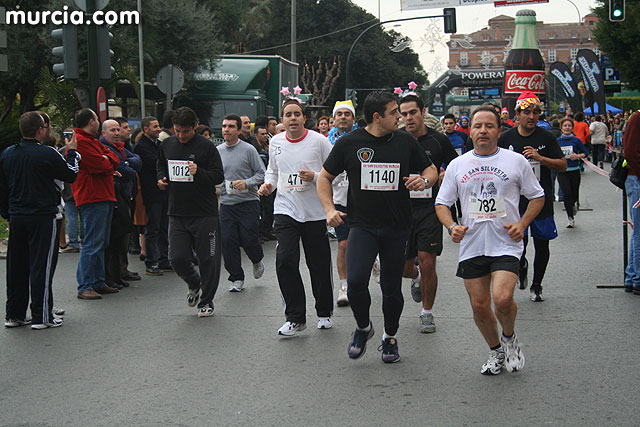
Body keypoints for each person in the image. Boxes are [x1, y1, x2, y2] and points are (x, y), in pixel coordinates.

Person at [317, 91, 437, 363]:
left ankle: (390, 337)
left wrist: (425, 181)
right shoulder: (350, 143)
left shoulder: (405, 141)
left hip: (397, 227)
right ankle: (363, 327)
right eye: (395, 112)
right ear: (376, 117)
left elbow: (430, 169)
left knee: (391, 287)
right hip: (362, 226)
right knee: (357, 281)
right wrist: (329, 209)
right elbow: (324, 177)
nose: (400, 117)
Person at [435, 105, 545, 375]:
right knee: (479, 305)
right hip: (472, 244)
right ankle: (496, 350)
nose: (483, 131)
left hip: (506, 241)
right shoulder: (458, 165)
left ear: (499, 130)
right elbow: (442, 203)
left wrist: (522, 223)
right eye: (477, 126)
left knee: (503, 298)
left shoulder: (515, 161)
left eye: (489, 126)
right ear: (469, 131)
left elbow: (537, 196)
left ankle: (509, 337)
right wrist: (451, 227)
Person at [258, 99, 334, 336]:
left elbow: (336, 172)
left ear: (304, 118)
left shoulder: (319, 141)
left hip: (314, 212)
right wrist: (268, 183)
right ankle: (295, 317)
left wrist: (315, 176)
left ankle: (324, 312)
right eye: (287, 115)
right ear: (282, 119)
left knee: (318, 264)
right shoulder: (276, 142)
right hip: (285, 209)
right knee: (285, 260)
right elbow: (273, 169)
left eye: (296, 114)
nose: (292, 118)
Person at [1, 111, 80, 329]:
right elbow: (70, 174)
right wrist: (73, 153)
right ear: (40, 130)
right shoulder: (47, 153)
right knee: (41, 266)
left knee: (16, 266)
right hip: (43, 215)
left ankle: (14, 313)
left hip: (17, 215)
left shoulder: (8, 154)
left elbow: (3, 188)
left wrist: (7, 214)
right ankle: (42, 315)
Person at [498, 92, 567, 302]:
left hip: (540, 200)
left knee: (542, 244)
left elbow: (563, 165)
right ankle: (521, 266)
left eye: (535, 112)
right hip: (515, 202)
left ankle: (537, 285)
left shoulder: (546, 137)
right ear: (517, 114)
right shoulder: (506, 138)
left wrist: (540, 158)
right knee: (520, 242)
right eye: (526, 112)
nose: (531, 116)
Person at [157, 107, 224, 317]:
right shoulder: (167, 144)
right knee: (176, 258)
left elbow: (218, 176)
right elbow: (160, 166)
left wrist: (199, 172)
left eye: (185, 131)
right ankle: (194, 282)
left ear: (195, 126)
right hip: (177, 212)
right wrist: (161, 180)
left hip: (204, 213)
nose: (181, 135)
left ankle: (206, 301)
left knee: (209, 260)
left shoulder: (207, 147)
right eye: (177, 131)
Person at [398, 94, 458, 333]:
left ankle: (427, 312)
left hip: (430, 209)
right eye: (404, 114)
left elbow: (456, 165)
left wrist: (444, 175)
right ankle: (415, 277)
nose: (409, 117)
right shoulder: (397, 140)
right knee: (403, 267)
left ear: (423, 113)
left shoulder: (438, 140)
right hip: (402, 211)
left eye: (413, 112)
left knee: (427, 260)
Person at [73, 108, 121, 299]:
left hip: (102, 195)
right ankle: (85, 285)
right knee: (92, 242)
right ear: (92, 122)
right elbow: (100, 165)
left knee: (100, 242)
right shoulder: (82, 142)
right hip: (93, 196)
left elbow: (113, 157)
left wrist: (107, 158)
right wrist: (107, 159)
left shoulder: (90, 141)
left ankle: (98, 281)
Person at [217, 114, 266, 292]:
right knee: (228, 241)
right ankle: (236, 277)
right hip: (227, 204)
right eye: (224, 126)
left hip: (248, 201)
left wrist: (246, 183)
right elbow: (216, 175)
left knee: (249, 239)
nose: (226, 130)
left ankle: (257, 258)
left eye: (230, 126)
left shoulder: (248, 150)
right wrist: (220, 186)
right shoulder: (218, 151)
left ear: (238, 130)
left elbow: (262, 174)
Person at [99, 120, 142, 289]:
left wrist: (127, 165)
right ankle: (110, 276)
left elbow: (136, 163)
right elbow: (126, 171)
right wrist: (126, 167)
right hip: (114, 197)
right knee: (114, 239)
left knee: (122, 238)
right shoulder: (105, 148)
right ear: (104, 133)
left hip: (125, 195)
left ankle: (119, 274)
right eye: (113, 130)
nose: (117, 133)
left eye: (118, 129)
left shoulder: (120, 148)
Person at [328, 100, 358, 306]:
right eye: (340, 114)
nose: (343, 117)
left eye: (347, 114)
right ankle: (344, 286)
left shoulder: (363, 140)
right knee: (343, 244)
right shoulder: (326, 143)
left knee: (365, 243)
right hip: (339, 201)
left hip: (363, 202)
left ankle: (372, 261)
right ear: (333, 119)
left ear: (353, 119)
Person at [134, 116, 170, 276]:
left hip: (164, 192)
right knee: (153, 228)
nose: (158, 129)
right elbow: (156, 163)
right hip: (151, 193)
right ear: (146, 129)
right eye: (155, 126)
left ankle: (164, 259)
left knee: (164, 227)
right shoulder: (141, 146)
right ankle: (151, 261)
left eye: (158, 126)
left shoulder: (160, 144)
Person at [556, 118, 588, 228]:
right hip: (562, 171)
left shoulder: (576, 140)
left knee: (574, 194)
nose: (567, 128)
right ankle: (570, 218)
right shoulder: (557, 141)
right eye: (565, 126)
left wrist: (577, 156)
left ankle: (574, 203)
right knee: (566, 193)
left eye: (569, 126)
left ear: (572, 128)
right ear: (561, 128)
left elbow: (585, 153)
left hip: (574, 170)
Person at [624, 112, 640, 294]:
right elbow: (631, 152)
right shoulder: (637, 118)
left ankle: (632, 275)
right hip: (636, 179)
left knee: (638, 229)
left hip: (635, 178)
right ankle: (637, 278)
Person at [255, 125, 276, 241]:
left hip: (269, 182)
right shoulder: (254, 148)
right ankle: (261, 231)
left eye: (265, 134)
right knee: (263, 208)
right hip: (261, 184)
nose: (264, 136)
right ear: (256, 135)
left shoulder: (268, 145)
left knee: (269, 208)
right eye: (262, 134)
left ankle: (267, 230)